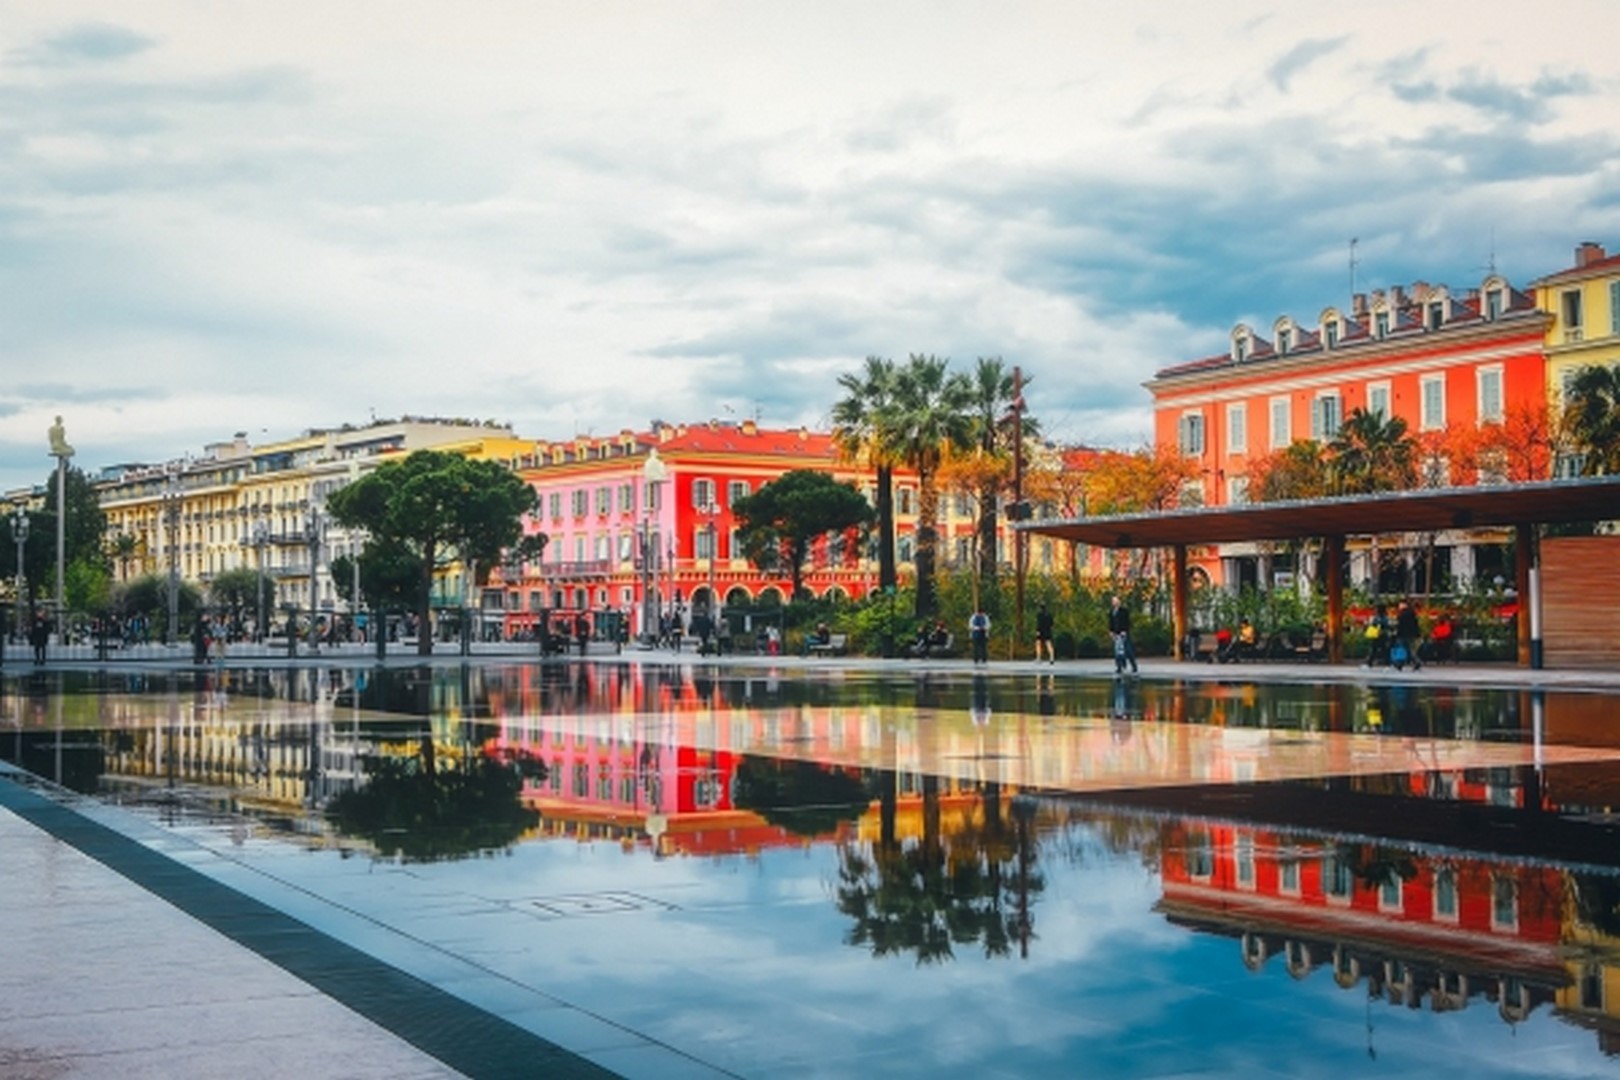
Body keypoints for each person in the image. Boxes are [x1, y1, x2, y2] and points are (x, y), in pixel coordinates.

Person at [1108, 595, 1137, 675]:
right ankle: (1119, 667)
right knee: (1117, 651)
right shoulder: (1112, 612)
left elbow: (1127, 622)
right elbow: (1111, 623)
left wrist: (1125, 631)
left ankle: (1134, 666)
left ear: (1119, 602)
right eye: (1113, 601)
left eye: (1116, 601)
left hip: (1123, 633)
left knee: (1128, 650)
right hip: (1116, 634)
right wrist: (1111, 631)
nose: (1115, 602)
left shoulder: (1124, 611)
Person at [1394, 599, 1423, 671]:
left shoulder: (1402, 615)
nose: (1399, 606)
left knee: (1402, 649)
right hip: (1412, 634)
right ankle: (1415, 662)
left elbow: (1400, 625)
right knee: (1409, 649)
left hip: (1403, 634)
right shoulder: (1412, 613)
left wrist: (1397, 632)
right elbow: (1415, 625)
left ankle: (1400, 663)